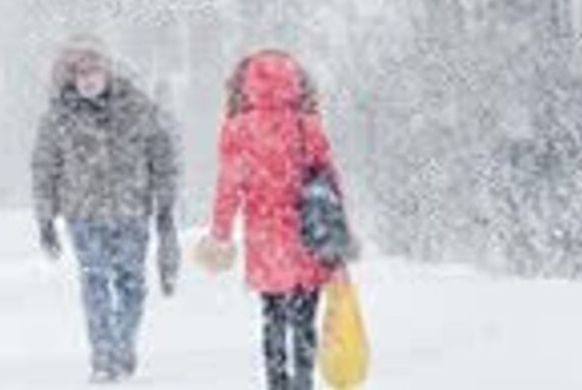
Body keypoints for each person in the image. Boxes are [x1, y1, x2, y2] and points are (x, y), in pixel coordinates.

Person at [200, 50, 353, 390]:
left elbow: (228, 187)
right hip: (306, 236)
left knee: (272, 318)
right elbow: (330, 181)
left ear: (248, 85)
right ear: (295, 83)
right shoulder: (307, 126)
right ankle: (303, 381)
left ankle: (277, 382)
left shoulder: (238, 130)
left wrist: (220, 234)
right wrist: (339, 233)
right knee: (304, 320)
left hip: (266, 240)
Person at [32, 38, 181, 384]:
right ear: (71, 76)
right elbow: (44, 167)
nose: (88, 78)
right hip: (84, 215)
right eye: (80, 71)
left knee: (131, 283)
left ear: (107, 70)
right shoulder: (59, 117)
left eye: (94, 69)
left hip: (131, 212)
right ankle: (102, 357)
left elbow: (163, 159)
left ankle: (123, 347)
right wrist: (45, 217)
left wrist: (165, 206)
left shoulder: (138, 108)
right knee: (95, 282)